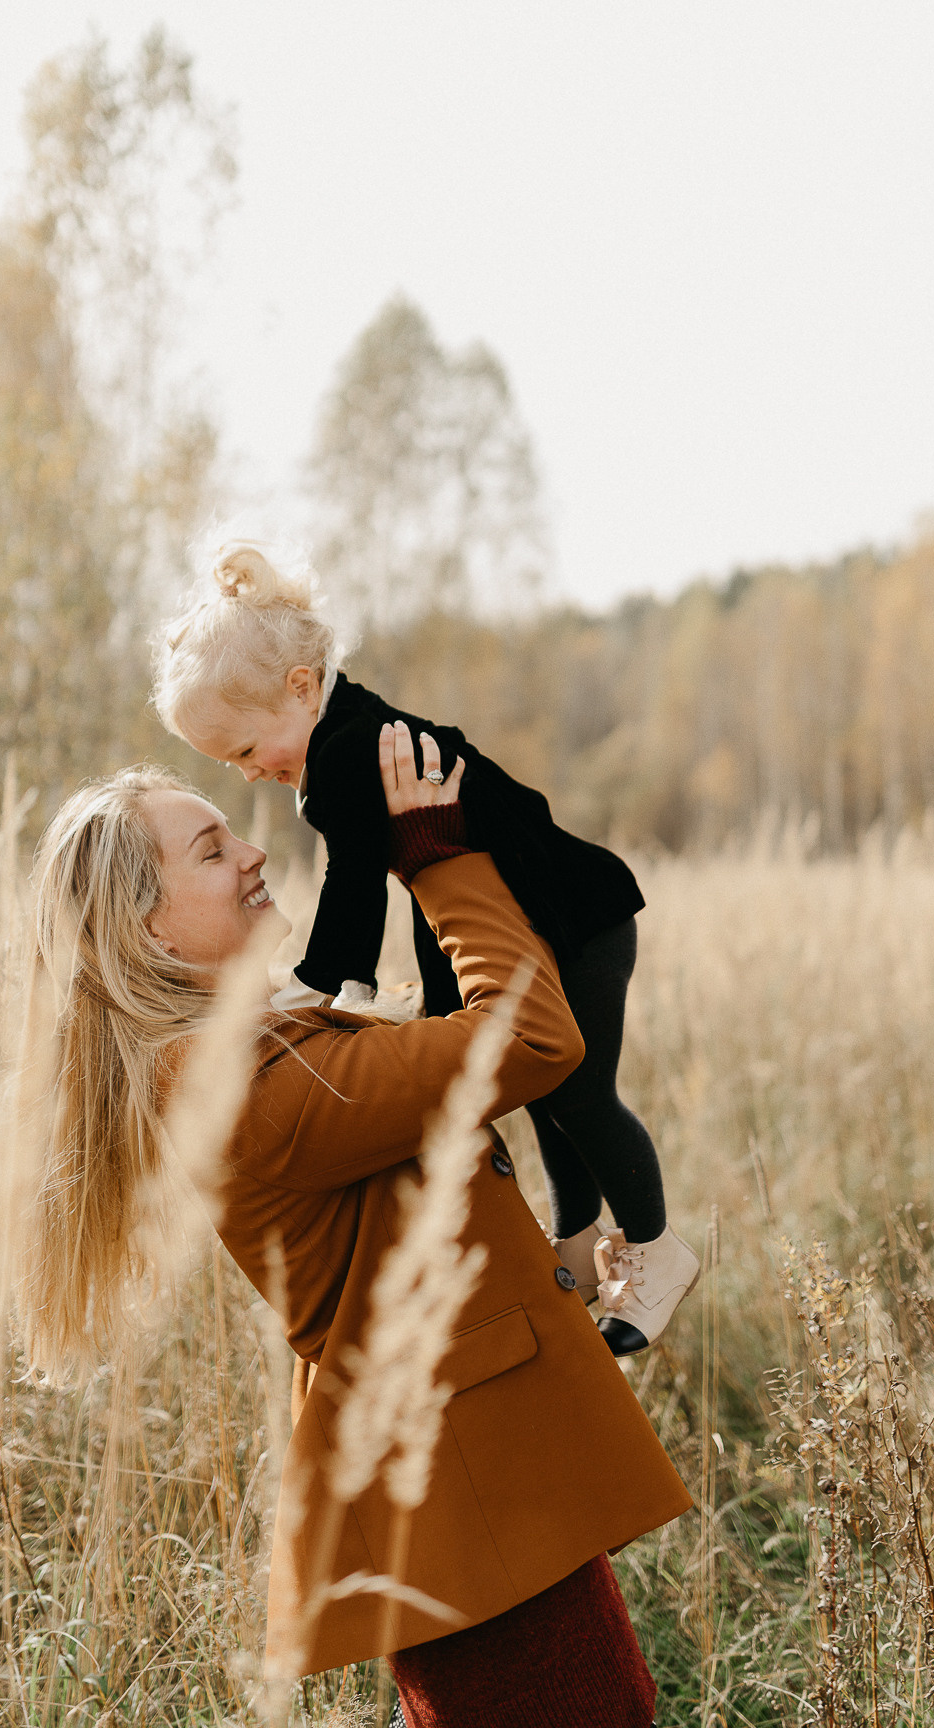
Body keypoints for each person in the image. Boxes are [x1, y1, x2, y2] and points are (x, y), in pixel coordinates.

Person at [17, 723, 693, 1725]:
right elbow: (533, 1038)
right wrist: (438, 856)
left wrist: (554, 1269)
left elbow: (378, 1254)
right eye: (210, 850)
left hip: (477, 1494)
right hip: (465, 1507)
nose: (251, 851)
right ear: (147, 926)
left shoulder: (256, 1050)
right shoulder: (247, 1086)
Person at [150, 541, 700, 1353]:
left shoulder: (346, 752)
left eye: (241, 751)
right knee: (549, 1091)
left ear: (300, 689)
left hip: (578, 917)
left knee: (578, 1092)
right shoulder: (349, 728)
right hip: (558, 914)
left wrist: (327, 979)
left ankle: (654, 1251)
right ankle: (579, 1247)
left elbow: (356, 878)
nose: (247, 775)